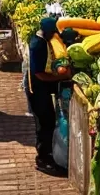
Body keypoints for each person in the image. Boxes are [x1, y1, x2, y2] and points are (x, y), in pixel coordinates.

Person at [26, 17, 71, 173]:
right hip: (37, 89)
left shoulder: (41, 39)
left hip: (42, 86)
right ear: (47, 32)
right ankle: (43, 159)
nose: (54, 36)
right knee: (45, 123)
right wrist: (61, 77)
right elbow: (39, 74)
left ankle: (47, 153)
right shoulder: (37, 45)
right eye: (53, 32)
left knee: (48, 120)